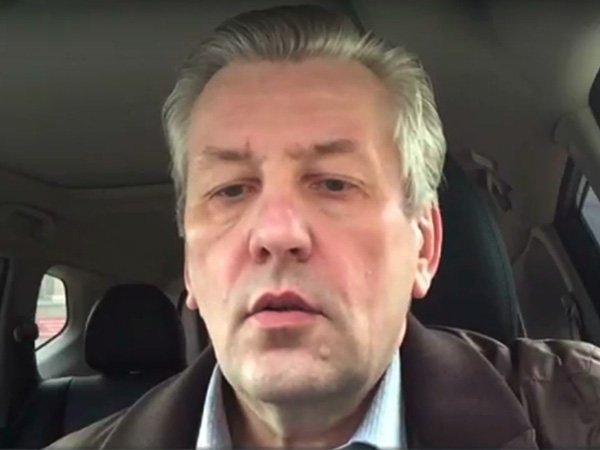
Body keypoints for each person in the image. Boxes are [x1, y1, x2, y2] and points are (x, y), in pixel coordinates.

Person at [50, 5, 600, 449]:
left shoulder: (582, 413)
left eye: (334, 183)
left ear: (424, 246)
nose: (276, 233)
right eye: (231, 190)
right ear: (191, 267)